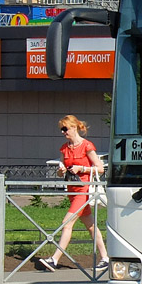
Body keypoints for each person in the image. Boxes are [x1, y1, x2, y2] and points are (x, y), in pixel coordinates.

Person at [37, 115, 109, 272]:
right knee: (91, 226)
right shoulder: (64, 148)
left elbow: (100, 168)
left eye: (65, 129)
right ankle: (105, 258)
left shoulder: (87, 146)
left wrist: (81, 168)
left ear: (74, 128)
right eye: (61, 130)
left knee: (67, 223)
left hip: (84, 191)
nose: (63, 132)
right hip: (72, 190)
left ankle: (54, 259)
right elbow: (60, 172)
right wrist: (61, 170)